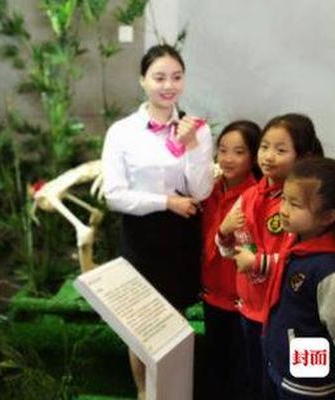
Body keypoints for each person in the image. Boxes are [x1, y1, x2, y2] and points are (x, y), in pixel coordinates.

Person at [101, 44, 214, 399]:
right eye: (159, 77)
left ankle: (171, 392)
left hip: (181, 234)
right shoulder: (122, 132)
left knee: (174, 320)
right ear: (143, 80)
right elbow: (114, 195)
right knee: (140, 322)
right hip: (141, 234)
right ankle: (144, 393)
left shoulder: (197, 128)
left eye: (176, 77)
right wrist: (165, 201)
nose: (169, 86)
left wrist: (191, 145)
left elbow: (201, 190)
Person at [217, 113, 323, 399]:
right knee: (258, 380)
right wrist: (224, 232)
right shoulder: (250, 195)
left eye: (280, 149)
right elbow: (231, 251)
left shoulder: (303, 205)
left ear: (304, 156)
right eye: (264, 147)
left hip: (286, 313)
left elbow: (303, 259)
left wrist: (257, 263)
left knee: (291, 384)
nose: (269, 156)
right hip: (250, 307)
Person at [264, 157, 335, 399]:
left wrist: (304, 374)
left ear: (328, 217)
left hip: (307, 384)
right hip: (283, 367)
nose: (284, 210)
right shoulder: (297, 240)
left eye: (295, 204)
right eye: (284, 199)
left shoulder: (327, 269)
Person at [200, 120, 261, 400]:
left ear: (253, 157)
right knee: (215, 367)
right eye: (223, 150)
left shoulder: (255, 197)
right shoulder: (209, 190)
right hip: (211, 294)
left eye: (238, 152)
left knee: (241, 374)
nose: (227, 158)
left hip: (241, 301)